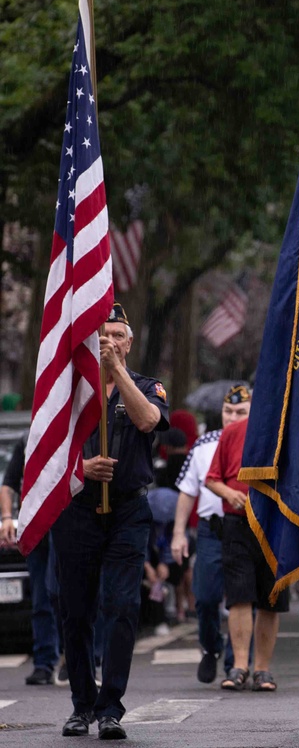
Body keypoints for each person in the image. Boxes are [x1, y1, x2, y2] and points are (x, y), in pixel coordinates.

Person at [52, 303, 170, 739]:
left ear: (130, 341)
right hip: (78, 510)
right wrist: (82, 470)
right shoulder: (68, 391)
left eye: (118, 334)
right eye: (101, 334)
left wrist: (116, 370)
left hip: (128, 510)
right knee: (75, 610)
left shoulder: (146, 385)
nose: (109, 341)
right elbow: (46, 458)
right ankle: (82, 704)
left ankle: (111, 708)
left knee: (121, 606)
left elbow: (149, 420)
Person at [171, 384, 252, 684]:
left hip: (246, 528)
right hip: (212, 530)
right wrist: (179, 533)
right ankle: (211, 647)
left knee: (243, 597)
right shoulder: (204, 444)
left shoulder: (259, 442)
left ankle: (237, 663)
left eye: (241, 412)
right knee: (205, 598)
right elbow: (187, 492)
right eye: (229, 411)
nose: (233, 417)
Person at [205, 412, 288, 694]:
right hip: (237, 523)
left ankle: (262, 668)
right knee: (239, 595)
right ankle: (239, 665)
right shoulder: (232, 431)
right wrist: (229, 494)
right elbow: (212, 478)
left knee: (271, 597)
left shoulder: (284, 430)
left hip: (275, 522)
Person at [1, 433, 62, 686]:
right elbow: (9, 483)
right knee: (41, 595)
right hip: (35, 524)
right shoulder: (28, 440)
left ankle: (83, 659)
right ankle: (44, 662)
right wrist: (6, 517)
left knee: (63, 592)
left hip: (66, 522)